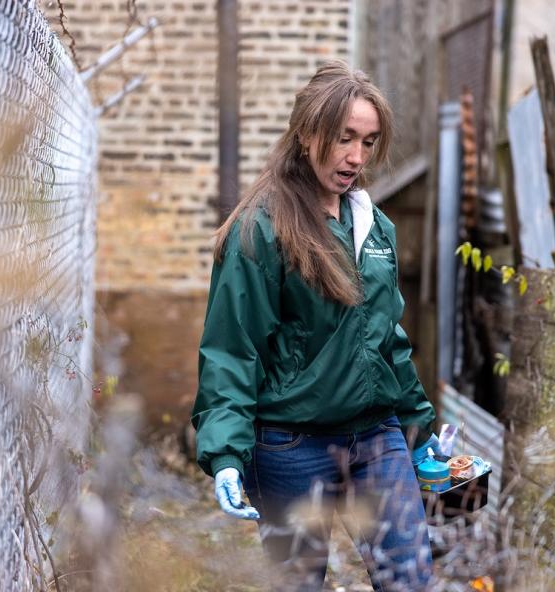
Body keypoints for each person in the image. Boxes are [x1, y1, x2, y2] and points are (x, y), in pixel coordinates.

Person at [191, 60, 440, 591]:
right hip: (290, 446)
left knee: (411, 582)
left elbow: (388, 341)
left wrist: (418, 432)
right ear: (307, 134)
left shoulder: (374, 225)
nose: (356, 157)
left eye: (368, 142)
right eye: (344, 138)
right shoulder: (261, 228)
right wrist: (227, 454)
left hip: (377, 437)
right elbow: (233, 350)